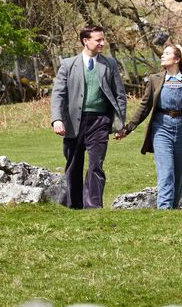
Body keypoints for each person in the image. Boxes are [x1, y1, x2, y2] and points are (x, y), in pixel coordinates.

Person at [115, 44, 182, 209]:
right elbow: (144, 107)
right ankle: (164, 210)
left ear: (176, 59)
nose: (162, 56)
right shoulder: (155, 79)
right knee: (166, 172)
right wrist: (127, 128)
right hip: (161, 130)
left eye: (167, 53)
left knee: (180, 174)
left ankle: (172, 210)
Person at [50, 25, 127, 209]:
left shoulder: (110, 64)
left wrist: (119, 123)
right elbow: (58, 93)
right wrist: (57, 119)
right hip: (73, 122)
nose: (102, 43)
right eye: (98, 40)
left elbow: (120, 95)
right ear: (86, 41)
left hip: (100, 121)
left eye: (103, 39)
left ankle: (93, 206)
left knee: (96, 164)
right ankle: (74, 205)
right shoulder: (68, 65)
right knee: (74, 164)